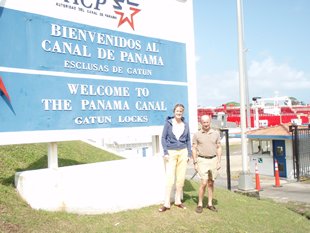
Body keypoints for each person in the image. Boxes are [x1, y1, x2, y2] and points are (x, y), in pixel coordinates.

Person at [159, 103, 192, 212]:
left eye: (181, 111)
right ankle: (166, 203)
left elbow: (188, 140)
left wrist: (189, 154)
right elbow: (163, 138)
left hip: (183, 152)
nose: (179, 113)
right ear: (174, 112)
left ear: (183, 112)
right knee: (170, 178)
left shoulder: (186, 124)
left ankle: (178, 201)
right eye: (177, 111)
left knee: (181, 179)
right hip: (171, 152)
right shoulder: (168, 123)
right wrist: (165, 152)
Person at [192, 115, 222, 213]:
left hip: (213, 160)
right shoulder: (197, 134)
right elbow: (194, 148)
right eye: (204, 122)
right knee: (204, 182)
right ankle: (200, 204)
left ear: (210, 122)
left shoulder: (216, 134)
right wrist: (195, 162)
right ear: (201, 123)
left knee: (211, 182)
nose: (206, 124)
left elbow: (218, 147)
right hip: (202, 160)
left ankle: (210, 204)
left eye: (207, 122)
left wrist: (219, 161)